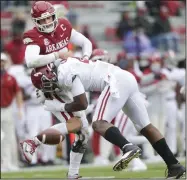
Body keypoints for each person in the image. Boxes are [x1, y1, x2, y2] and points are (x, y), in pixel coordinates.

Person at [31, 52, 185, 178]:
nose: (49, 88)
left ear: (49, 72)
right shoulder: (64, 66)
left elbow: (82, 103)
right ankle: (174, 166)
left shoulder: (65, 73)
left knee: (98, 123)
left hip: (114, 81)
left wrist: (60, 106)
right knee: (145, 127)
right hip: (126, 79)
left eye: (47, 84)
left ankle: (127, 148)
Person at [20, 64, 89, 179]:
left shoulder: (57, 67)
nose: (51, 78)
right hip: (56, 101)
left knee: (83, 135)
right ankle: (33, 142)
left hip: (61, 98)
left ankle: (73, 173)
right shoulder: (45, 89)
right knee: (78, 125)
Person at [23, 1, 92, 69]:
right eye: (43, 20)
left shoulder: (63, 25)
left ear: (54, 16)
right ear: (36, 21)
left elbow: (85, 42)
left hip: (67, 69)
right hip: (47, 74)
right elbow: (30, 61)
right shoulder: (33, 35)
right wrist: (57, 55)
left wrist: (85, 58)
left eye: (48, 18)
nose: (47, 22)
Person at [1, 52, 24, 171]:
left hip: (7, 109)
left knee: (9, 137)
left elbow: (18, 93)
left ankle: (10, 162)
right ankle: (5, 163)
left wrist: (20, 109)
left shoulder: (10, 78)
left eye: (2, 62)